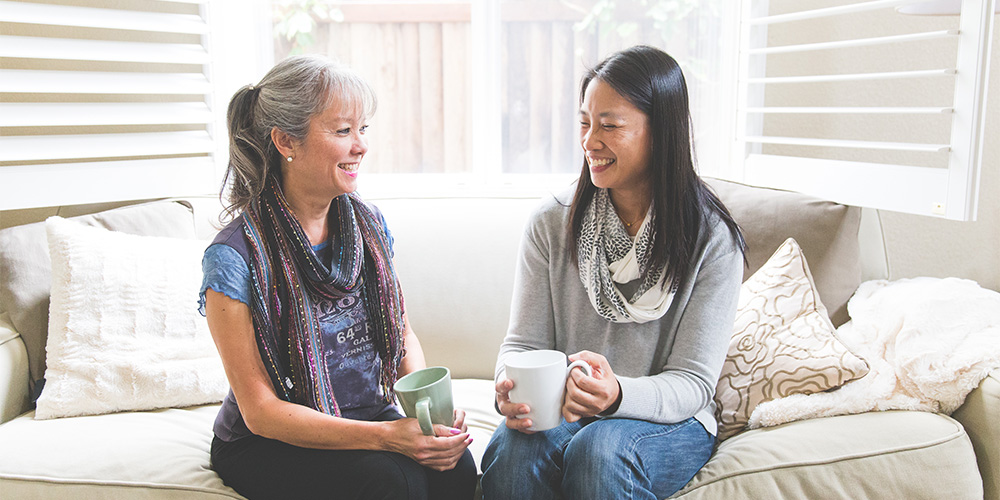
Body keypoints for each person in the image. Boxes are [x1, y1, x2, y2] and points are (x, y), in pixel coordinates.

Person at [199, 54, 477, 500]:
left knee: (456, 467)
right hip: (267, 440)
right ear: (287, 141)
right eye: (343, 131)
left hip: (365, 412)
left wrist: (429, 419)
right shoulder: (234, 258)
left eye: (362, 129)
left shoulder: (368, 227)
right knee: (392, 480)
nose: (361, 146)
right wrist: (388, 437)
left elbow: (401, 333)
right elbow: (261, 412)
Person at [480, 45, 747, 500]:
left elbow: (693, 382)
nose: (589, 141)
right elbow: (523, 344)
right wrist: (510, 388)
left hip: (669, 424)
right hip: (569, 414)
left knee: (600, 448)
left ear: (660, 133)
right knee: (513, 445)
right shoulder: (552, 223)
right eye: (585, 122)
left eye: (609, 125)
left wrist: (618, 394)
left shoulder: (712, 239)